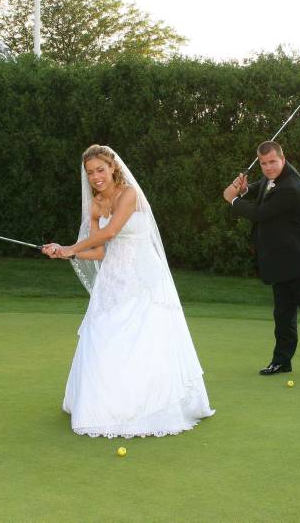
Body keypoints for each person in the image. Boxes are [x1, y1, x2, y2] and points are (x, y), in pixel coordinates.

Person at [43, 144, 215, 437]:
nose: (96, 177)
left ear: (113, 168)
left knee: (145, 341)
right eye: (90, 173)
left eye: (100, 169)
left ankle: (148, 408)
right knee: (104, 337)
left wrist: (71, 247)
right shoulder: (95, 206)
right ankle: (103, 408)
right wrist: (64, 252)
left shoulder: (129, 194)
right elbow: (99, 251)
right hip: (113, 281)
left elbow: (111, 232)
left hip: (145, 280)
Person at [223, 141, 300, 383]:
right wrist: (245, 190)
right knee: (283, 314)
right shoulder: (273, 178)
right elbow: (261, 189)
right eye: (263, 163)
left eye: (272, 162)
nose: (268, 167)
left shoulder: (291, 187)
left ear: (283, 158)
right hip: (282, 261)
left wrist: (233, 200)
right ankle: (281, 361)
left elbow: (260, 214)